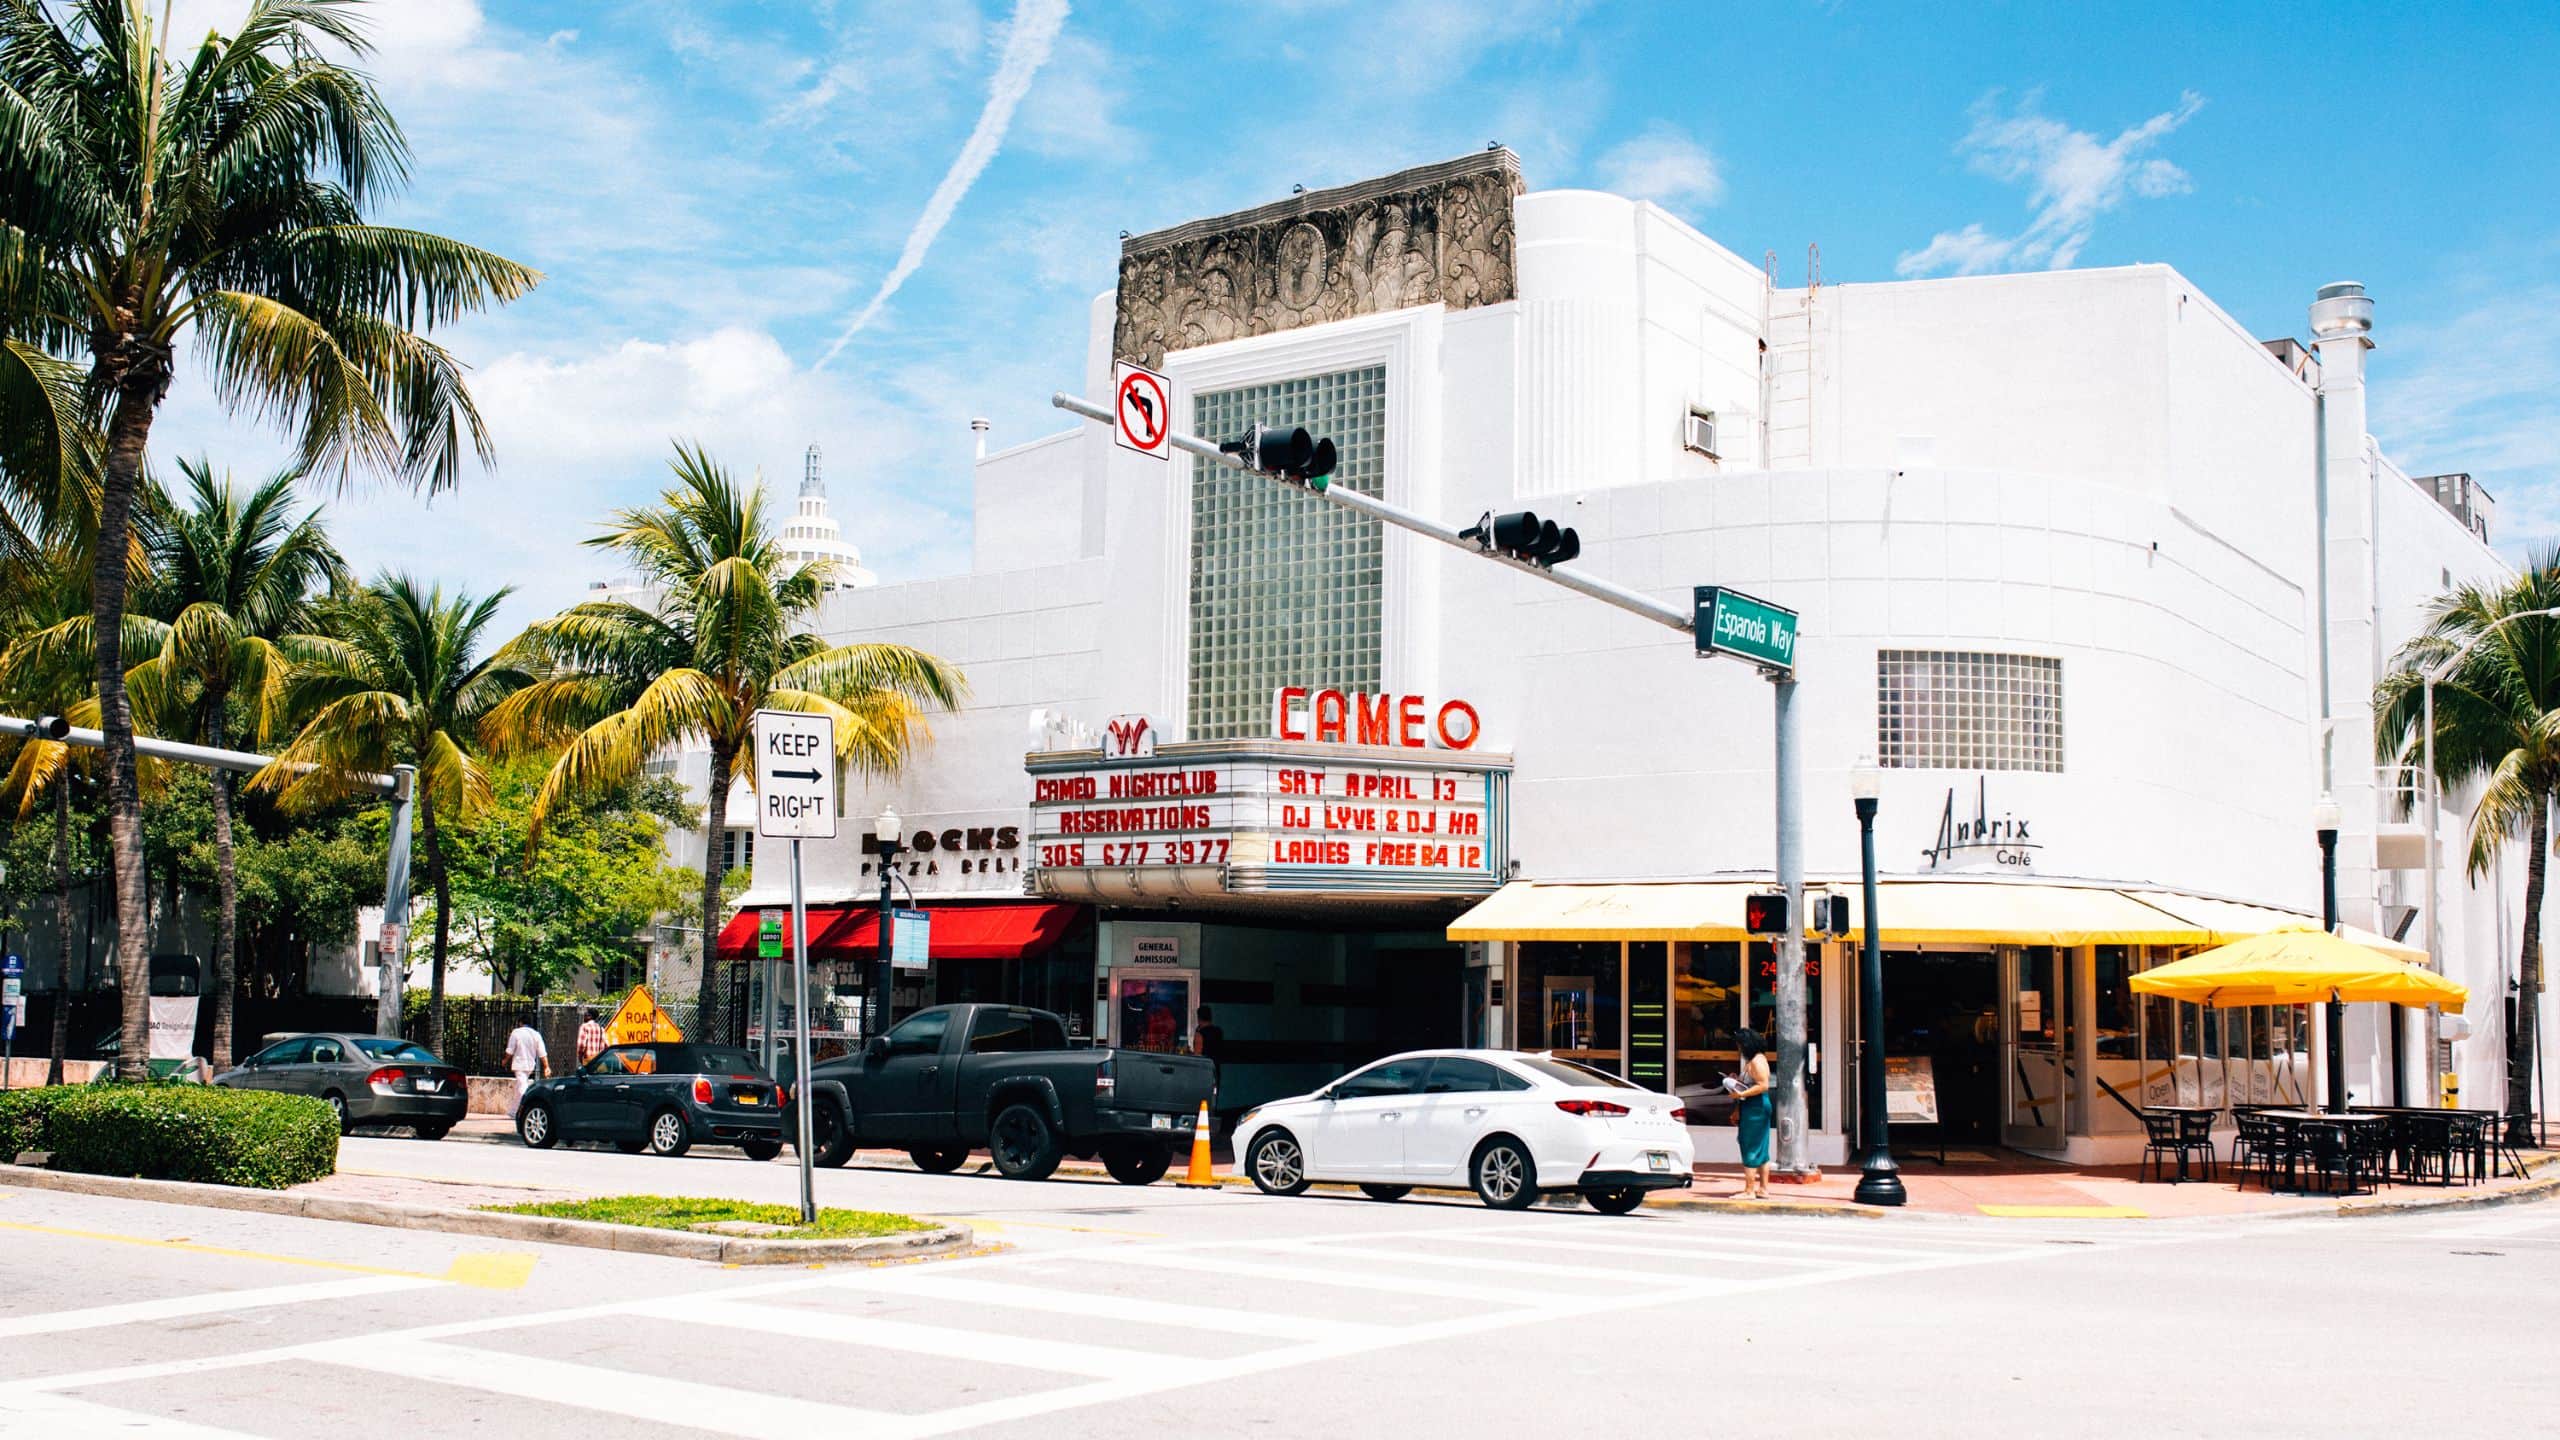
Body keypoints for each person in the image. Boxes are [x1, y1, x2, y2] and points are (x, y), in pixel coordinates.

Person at [1726, 1027, 1775, 1200]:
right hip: (1752, 1106)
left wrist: (1741, 1094)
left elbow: (1763, 1085)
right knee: (1761, 1147)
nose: (1738, 1048)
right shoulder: (1754, 1060)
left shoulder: (1757, 1061)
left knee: (1750, 1145)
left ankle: (1749, 1190)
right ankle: (1763, 1188)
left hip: (1756, 1107)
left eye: (1740, 1044)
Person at [504, 1012, 548, 1115]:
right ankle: (513, 1111)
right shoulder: (536, 1034)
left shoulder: (516, 1032)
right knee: (519, 1087)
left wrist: (505, 1060)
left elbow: (510, 1050)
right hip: (530, 1065)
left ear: (520, 1022)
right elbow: (542, 1052)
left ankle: (523, 1110)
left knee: (522, 1088)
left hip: (519, 1064)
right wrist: (546, 1066)